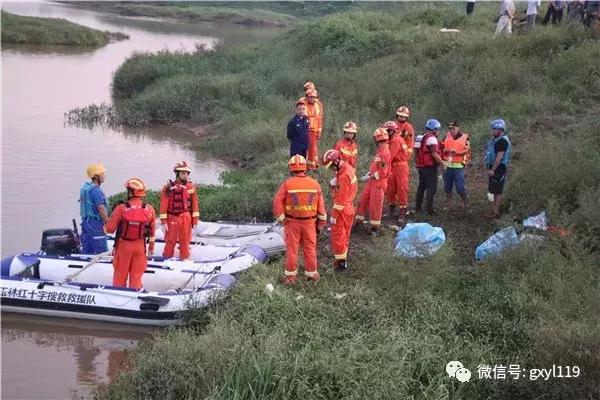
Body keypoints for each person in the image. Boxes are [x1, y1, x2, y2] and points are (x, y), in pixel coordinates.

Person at [273, 155, 327, 285]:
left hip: (292, 223)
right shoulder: (315, 184)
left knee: (292, 250)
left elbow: (277, 202)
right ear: (305, 168)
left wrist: (282, 219)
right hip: (310, 223)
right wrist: (320, 225)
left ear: (291, 169)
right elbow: (321, 209)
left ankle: (291, 278)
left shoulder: (287, 184)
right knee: (310, 248)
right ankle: (312, 274)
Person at [104, 178, 156, 289]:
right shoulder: (150, 210)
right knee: (136, 277)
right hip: (140, 247)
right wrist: (151, 247)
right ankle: (134, 295)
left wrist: (105, 225)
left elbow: (109, 229)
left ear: (131, 192)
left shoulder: (121, 208)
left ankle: (118, 296)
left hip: (124, 247)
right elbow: (152, 232)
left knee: (120, 275)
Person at [323, 149, 358, 271]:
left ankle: (340, 264)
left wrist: (333, 215)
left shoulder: (343, 176)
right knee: (345, 235)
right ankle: (343, 260)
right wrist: (333, 185)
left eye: (332, 166)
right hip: (349, 208)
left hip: (342, 210)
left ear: (337, 161)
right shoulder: (346, 168)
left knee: (338, 236)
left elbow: (340, 199)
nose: (332, 169)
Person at [159, 161, 200, 260]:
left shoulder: (191, 187)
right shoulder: (168, 188)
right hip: (172, 217)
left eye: (187, 173)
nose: (185, 175)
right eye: (183, 173)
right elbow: (163, 206)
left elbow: (195, 205)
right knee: (170, 240)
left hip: (186, 217)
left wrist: (195, 222)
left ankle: (184, 259)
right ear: (177, 174)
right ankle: (166, 259)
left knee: (185, 241)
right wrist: (163, 222)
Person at [355, 128, 391, 235]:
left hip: (378, 183)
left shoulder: (384, 153)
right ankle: (358, 222)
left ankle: (375, 228)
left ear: (376, 139)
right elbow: (376, 166)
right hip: (372, 182)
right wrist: (369, 174)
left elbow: (383, 173)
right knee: (362, 201)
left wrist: (370, 177)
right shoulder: (380, 151)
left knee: (375, 206)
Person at [414, 119, 445, 215]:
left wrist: (417, 162)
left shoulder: (419, 137)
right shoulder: (432, 138)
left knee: (421, 187)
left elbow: (416, 152)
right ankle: (429, 210)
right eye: (437, 129)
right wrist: (443, 164)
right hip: (429, 167)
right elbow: (434, 154)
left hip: (421, 167)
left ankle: (418, 208)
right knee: (431, 188)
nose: (438, 131)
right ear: (434, 129)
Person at [79, 163, 109, 254]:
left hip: (86, 223)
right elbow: (101, 208)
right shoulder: (96, 190)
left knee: (87, 249)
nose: (104, 176)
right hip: (95, 224)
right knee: (101, 251)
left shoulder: (86, 188)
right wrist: (108, 222)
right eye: (102, 174)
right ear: (96, 176)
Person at [485, 119, 512, 219]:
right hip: (494, 167)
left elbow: (499, 157)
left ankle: (495, 212)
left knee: (496, 191)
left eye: (494, 129)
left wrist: (493, 170)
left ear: (500, 130)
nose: (492, 131)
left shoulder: (502, 141)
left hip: (499, 168)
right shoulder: (496, 140)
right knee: (493, 190)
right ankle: (494, 210)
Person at [441, 121, 471, 209]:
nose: (452, 130)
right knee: (447, 187)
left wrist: (456, 152)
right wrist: (445, 151)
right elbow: (440, 149)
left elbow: (467, 150)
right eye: (450, 128)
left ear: (458, 127)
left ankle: (466, 203)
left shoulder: (465, 137)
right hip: (447, 166)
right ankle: (448, 204)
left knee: (460, 187)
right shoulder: (446, 136)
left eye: (454, 128)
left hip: (459, 167)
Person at [384, 121, 410, 222]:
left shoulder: (396, 141)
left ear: (391, 131)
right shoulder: (391, 140)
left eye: (387, 132)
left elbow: (390, 156)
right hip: (393, 166)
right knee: (390, 188)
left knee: (402, 188)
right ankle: (392, 209)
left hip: (400, 167)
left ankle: (402, 212)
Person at [301, 88, 324, 170]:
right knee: (303, 147)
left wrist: (319, 130)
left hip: (313, 130)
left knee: (312, 148)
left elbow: (319, 119)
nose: (312, 98)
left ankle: (311, 166)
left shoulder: (318, 105)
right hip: (304, 129)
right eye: (310, 97)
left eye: (313, 97)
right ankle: (303, 164)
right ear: (306, 97)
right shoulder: (303, 104)